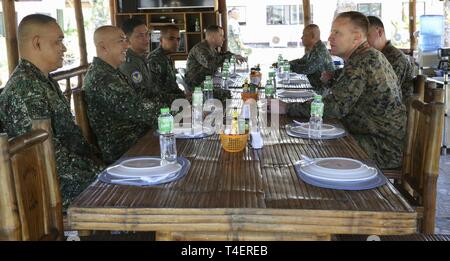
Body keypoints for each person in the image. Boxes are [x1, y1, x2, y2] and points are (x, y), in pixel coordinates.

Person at [278, 11, 406, 169]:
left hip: (380, 147)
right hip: (370, 137)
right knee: (312, 139)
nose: (330, 38)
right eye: (332, 32)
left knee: (309, 149)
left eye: (337, 33)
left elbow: (335, 107)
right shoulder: (366, 57)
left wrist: (287, 107)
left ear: (357, 38)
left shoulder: (364, 60)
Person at [0, 14, 102, 208]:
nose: (63, 48)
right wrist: (101, 173)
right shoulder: (25, 88)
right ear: (37, 43)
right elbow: (52, 157)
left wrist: (101, 165)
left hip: (70, 177)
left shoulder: (42, 80)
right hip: (53, 189)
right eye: (58, 42)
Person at [83, 26, 162, 164]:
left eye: (126, 40)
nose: (127, 45)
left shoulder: (111, 71)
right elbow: (139, 109)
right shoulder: (102, 77)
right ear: (103, 47)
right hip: (124, 149)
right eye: (121, 41)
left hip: (138, 137)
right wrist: (174, 112)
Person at [367, 16, 415, 104]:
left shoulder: (395, 58)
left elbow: (384, 93)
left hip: (394, 112)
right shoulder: (374, 56)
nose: (363, 41)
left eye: (367, 35)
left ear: (380, 32)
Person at [185, 25, 245, 90]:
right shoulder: (200, 48)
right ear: (213, 37)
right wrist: (230, 57)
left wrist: (233, 55)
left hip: (207, 83)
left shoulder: (211, 48)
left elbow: (219, 57)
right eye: (221, 35)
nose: (223, 39)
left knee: (231, 88)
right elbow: (211, 63)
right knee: (228, 94)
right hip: (196, 88)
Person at [287, 24, 335, 92]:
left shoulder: (319, 51)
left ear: (312, 36)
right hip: (314, 87)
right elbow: (302, 60)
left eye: (304, 35)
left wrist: (288, 66)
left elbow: (307, 69)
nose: (301, 37)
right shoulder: (315, 48)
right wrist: (286, 63)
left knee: (289, 92)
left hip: (322, 91)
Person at [146, 24, 186, 101]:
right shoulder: (154, 59)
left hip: (172, 102)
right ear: (161, 40)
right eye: (171, 38)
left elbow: (172, 87)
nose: (176, 43)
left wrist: (183, 95)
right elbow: (155, 94)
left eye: (178, 39)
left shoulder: (168, 57)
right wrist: (181, 97)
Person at [119, 17, 153, 97]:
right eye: (141, 36)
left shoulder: (141, 58)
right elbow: (141, 96)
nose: (146, 39)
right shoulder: (129, 63)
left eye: (147, 34)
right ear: (127, 39)